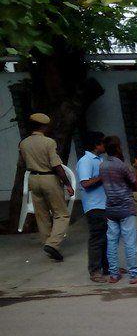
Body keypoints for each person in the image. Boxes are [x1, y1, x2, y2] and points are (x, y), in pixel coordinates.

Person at [17, 112, 74, 261]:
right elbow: (56, 165)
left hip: (33, 179)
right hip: (49, 178)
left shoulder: (24, 143)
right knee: (61, 214)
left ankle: (48, 243)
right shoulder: (49, 142)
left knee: (41, 214)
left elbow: (21, 164)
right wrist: (67, 184)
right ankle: (53, 244)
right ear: (43, 126)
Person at [99, 136, 137, 285]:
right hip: (125, 208)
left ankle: (114, 274)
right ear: (117, 148)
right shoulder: (122, 166)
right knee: (130, 242)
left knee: (112, 242)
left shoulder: (102, 165)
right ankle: (134, 275)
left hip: (110, 208)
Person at [76, 131, 109, 282]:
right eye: (103, 142)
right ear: (97, 145)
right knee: (97, 238)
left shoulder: (99, 160)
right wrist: (103, 177)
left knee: (106, 237)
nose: (105, 145)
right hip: (94, 206)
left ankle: (107, 267)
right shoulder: (86, 161)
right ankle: (95, 270)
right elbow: (85, 183)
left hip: (103, 204)